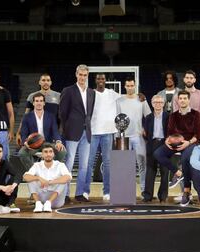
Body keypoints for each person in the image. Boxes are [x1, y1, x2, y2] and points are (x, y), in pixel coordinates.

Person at [154, 90, 200, 206]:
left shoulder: (196, 114)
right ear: (178, 100)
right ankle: (178, 172)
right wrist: (167, 140)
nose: (182, 100)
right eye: (180, 98)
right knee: (158, 153)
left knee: (186, 157)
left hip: (190, 143)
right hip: (175, 143)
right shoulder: (173, 116)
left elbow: (198, 135)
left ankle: (186, 192)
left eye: (185, 98)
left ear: (189, 100)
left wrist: (188, 142)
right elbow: (169, 132)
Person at [59, 64, 95, 203]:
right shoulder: (68, 91)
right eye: (80, 75)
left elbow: (89, 113)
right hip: (72, 132)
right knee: (69, 164)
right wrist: (67, 128)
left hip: (87, 132)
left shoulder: (91, 92)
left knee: (84, 165)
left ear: (87, 76)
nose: (82, 77)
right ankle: (66, 194)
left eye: (85, 75)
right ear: (76, 75)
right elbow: (62, 113)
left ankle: (80, 193)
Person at [84, 73, 120, 201]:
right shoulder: (90, 93)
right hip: (93, 132)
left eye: (103, 78)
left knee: (108, 163)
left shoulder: (112, 93)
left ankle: (107, 191)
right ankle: (85, 191)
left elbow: (126, 98)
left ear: (105, 80)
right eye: (98, 78)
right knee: (89, 163)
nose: (101, 80)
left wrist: (139, 96)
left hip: (108, 132)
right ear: (95, 80)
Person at [117, 77, 152, 195]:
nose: (130, 88)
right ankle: (127, 192)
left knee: (142, 164)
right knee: (126, 166)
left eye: (132, 85)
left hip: (138, 137)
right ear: (125, 86)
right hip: (124, 137)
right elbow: (116, 119)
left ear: (135, 86)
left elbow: (148, 117)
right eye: (128, 86)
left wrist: (145, 129)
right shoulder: (119, 100)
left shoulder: (141, 99)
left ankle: (143, 190)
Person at [19, 93, 66, 171]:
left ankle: (52, 170)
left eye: (41, 101)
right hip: (33, 144)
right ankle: (34, 171)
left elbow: (55, 131)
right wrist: (25, 142)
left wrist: (58, 141)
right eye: (37, 101)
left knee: (62, 151)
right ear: (33, 103)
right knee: (22, 153)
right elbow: (23, 133)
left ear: (44, 103)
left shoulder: (50, 116)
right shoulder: (27, 117)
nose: (39, 103)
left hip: (47, 143)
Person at [23, 143, 72, 212]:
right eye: (45, 152)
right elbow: (26, 176)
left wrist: (49, 182)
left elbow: (68, 177)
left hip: (56, 200)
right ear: (42, 155)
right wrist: (39, 178)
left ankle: (48, 203)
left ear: (54, 154)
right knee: (31, 179)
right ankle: (38, 203)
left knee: (63, 180)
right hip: (42, 197)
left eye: (50, 152)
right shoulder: (37, 165)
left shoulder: (60, 165)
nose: (48, 154)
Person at [16, 73, 60, 146]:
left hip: (53, 132)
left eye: (48, 80)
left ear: (51, 82)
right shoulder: (32, 96)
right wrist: (18, 132)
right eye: (43, 80)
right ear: (39, 82)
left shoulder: (58, 96)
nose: (46, 82)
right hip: (36, 133)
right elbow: (26, 115)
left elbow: (62, 115)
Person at [142, 95, 169, 203]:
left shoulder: (168, 116)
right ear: (152, 104)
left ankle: (162, 196)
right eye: (155, 102)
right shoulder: (148, 117)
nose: (158, 104)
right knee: (150, 171)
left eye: (160, 102)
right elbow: (145, 133)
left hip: (164, 145)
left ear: (163, 104)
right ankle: (148, 196)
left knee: (164, 171)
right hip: (152, 144)